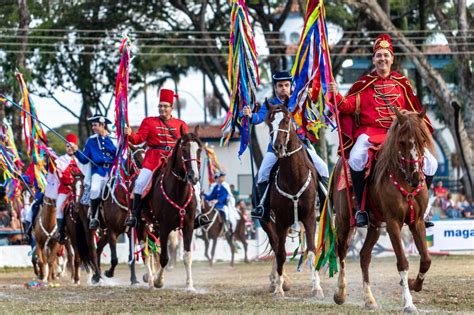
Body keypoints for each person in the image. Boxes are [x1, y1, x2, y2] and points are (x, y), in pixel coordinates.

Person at [328, 33, 438, 227]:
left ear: (392, 59)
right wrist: (335, 94)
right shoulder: (363, 86)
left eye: (386, 55)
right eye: (379, 55)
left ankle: (423, 208)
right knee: (355, 158)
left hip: (398, 136)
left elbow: (414, 111)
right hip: (370, 134)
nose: (382, 59)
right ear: (374, 59)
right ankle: (361, 208)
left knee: (431, 162)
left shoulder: (402, 84)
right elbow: (346, 106)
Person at [242, 71, 329, 220]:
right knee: (262, 173)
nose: (283, 88)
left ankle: (325, 204)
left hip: (301, 145)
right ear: (275, 88)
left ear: (291, 86)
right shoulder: (270, 104)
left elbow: (312, 115)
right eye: (280, 86)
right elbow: (259, 117)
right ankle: (263, 206)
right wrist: (250, 115)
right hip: (276, 148)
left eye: (286, 85)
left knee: (322, 167)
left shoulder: (298, 101)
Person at [124, 88, 210, 228]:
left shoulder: (181, 124)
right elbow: (138, 139)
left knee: (195, 183)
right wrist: (129, 134)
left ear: (172, 108)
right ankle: (135, 215)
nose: (162, 109)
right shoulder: (149, 122)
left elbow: (186, 143)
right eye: (160, 106)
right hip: (153, 160)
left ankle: (198, 215)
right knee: (140, 183)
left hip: (174, 161)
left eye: (165, 106)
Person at [71, 116, 116, 229]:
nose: (93, 127)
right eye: (92, 125)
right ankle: (94, 217)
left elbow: (120, 155)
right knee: (95, 190)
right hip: (98, 171)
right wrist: (76, 152)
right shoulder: (91, 141)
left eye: (95, 125)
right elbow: (84, 159)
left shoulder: (114, 139)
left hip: (113, 171)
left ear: (102, 125)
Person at [54, 134, 83, 243]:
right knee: (59, 209)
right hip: (66, 190)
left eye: (71, 146)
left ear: (76, 146)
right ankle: (60, 232)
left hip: (80, 190)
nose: (69, 148)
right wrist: (72, 182)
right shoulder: (60, 160)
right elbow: (60, 175)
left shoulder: (81, 159)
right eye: (67, 146)